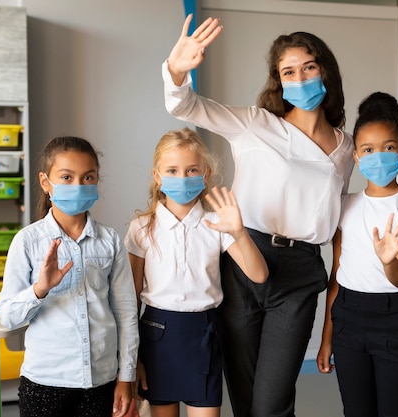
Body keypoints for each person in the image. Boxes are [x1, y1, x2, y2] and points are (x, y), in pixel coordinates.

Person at [163, 14, 355, 417]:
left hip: (299, 272)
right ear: (279, 81)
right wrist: (177, 70)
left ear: (326, 71)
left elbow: (336, 218)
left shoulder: (345, 148)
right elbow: (186, 106)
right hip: (243, 257)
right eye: (289, 71)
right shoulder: (254, 124)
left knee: (272, 402)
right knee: (246, 395)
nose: (300, 78)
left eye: (309, 67)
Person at [124, 128, 268, 417]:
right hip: (157, 336)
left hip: (205, 334)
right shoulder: (141, 228)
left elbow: (259, 274)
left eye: (192, 170)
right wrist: (133, 359)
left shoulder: (217, 224)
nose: (182, 178)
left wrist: (239, 232)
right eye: (172, 170)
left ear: (206, 173)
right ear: (157, 176)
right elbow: (130, 301)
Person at [316, 92, 398, 417]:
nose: (378, 157)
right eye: (368, 150)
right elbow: (337, 274)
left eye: (388, 148)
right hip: (348, 318)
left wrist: (388, 261)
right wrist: (327, 337)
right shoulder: (345, 205)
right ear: (356, 156)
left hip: (396, 319)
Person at [0, 136, 139, 417]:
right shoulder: (27, 241)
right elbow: (8, 316)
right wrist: (40, 289)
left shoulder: (109, 240)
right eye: (66, 176)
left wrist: (126, 377)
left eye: (88, 177)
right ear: (45, 182)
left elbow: (125, 312)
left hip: (101, 381)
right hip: (45, 383)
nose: (78, 185)